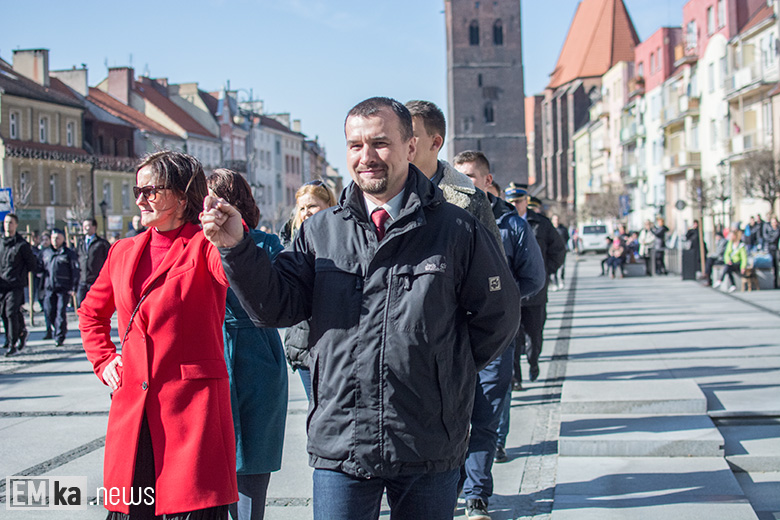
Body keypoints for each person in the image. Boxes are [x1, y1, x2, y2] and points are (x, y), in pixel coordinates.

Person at [201, 97, 520, 520]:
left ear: (410, 147)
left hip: (427, 438)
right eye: (355, 145)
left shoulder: (456, 229)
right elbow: (276, 307)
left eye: (380, 143)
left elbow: (499, 316)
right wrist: (238, 250)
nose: (366, 156)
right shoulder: (320, 231)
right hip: (341, 439)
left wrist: (445, 370)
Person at [79, 151, 238, 518]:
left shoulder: (205, 244)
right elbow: (90, 313)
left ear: (182, 197)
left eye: (150, 191)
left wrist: (233, 241)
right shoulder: (123, 251)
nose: (140, 200)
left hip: (191, 415)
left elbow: (235, 275)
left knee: (190, 508)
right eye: (138, 190)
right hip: (134, 415)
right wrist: (104, 360)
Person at [455, 150, 545, 518]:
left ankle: (476, 493)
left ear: (487, 180)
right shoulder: (443, 218)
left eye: (469, 177)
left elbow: (534, 278)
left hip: (495, 338)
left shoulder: (511, 225)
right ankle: (454, 482)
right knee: (452, 418)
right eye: (456, 177)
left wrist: (501, 303)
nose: (461, 185)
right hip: (452, 338)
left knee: (486, 417)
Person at [207, 168, 287, 520]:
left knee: (251, 454)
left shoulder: (264, 244)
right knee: (235, 456)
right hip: (239, 348)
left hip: (249, 349)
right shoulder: (263, 244)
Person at [405, 100, 502, 244]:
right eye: (400, 135)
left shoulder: (473, 199)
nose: (403, 142)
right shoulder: (382, 194)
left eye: (411, 135)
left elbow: (492, 256)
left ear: (435, 143)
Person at [279, 180, 338, 401]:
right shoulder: (290, 245)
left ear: (329, 205)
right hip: (303, 345)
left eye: (312, 206)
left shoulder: (342, 240)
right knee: (314, 411)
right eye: (302, 208)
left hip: (334, 344)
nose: (306, 213)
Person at [504, 184, 566, 387]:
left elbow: (558, 250)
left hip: (536, 292)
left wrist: (545, 272)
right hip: (512, 292)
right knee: (513, 337)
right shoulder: (502, 222)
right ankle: (516, 377)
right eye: (511, 202)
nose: (515, 205)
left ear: (526, 202)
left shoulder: (541, 223)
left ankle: (533, 361)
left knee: (534, 334)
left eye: (518, 201)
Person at [1, 214, 36, 357]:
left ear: (16, 225)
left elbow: (31, 264)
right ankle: (21, 332)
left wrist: (20, 275)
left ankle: (12, 343)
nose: (7, 225)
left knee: (11, 312)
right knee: (4, 313)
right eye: (6, 222)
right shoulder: (1, 242)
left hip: (16, 284)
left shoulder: (22, 245)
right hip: (2, 284)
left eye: (11, 223)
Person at [40, 228, 79, 346]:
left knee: (60, 311)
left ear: (63, 239)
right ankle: (57, 328)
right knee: (49, 311)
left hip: (63, 287)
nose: (55, 240)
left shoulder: (68, 253)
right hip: (49, 287)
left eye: (57, 238)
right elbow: (40, 268)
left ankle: (60, 336)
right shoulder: (46, 253)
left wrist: (74, 287)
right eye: (53, 238)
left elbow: (75, 271)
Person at [77, 218, 110, 306]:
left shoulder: (102, 243)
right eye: (84, 226)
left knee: (95, 305)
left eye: (87, 226)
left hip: (96, 280)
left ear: (94, 227)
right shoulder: (80, 243)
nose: (85, 228)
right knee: (81, 305)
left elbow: (108, 261)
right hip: (83, 280)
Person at [714, 228, 747, 292]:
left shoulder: (740, 245)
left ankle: (721, 281)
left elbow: (744, 257)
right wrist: (727, 260)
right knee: (728, 268)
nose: (730, 237)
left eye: (731, 236)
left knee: (727, 267)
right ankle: (732, 285)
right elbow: (726, 254)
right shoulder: (730, 243)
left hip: (738, 263)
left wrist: (743, 267)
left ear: (735, 236)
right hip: (731, 263)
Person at [550, 214, 569, 290]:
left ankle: (561, 280)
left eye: (557, 219)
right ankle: (554, 283)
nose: (556, 221)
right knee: (553, 267)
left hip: (561, 250)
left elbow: (567, 237)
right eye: (554, 219)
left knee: (562, 266)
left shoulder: (563, 229)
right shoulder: (550, 229)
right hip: (552, 250)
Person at [763, 215, 779, 289]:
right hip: (769, 249)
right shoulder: (768, 228)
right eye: (772, 222)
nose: (774, 224)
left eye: (775, 222)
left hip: (776, 249)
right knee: (770, 266)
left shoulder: (778, 229)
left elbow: (774, 239)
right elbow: (765, 236)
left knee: (776, 267)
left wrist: (770, 239)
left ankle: (776, 283)